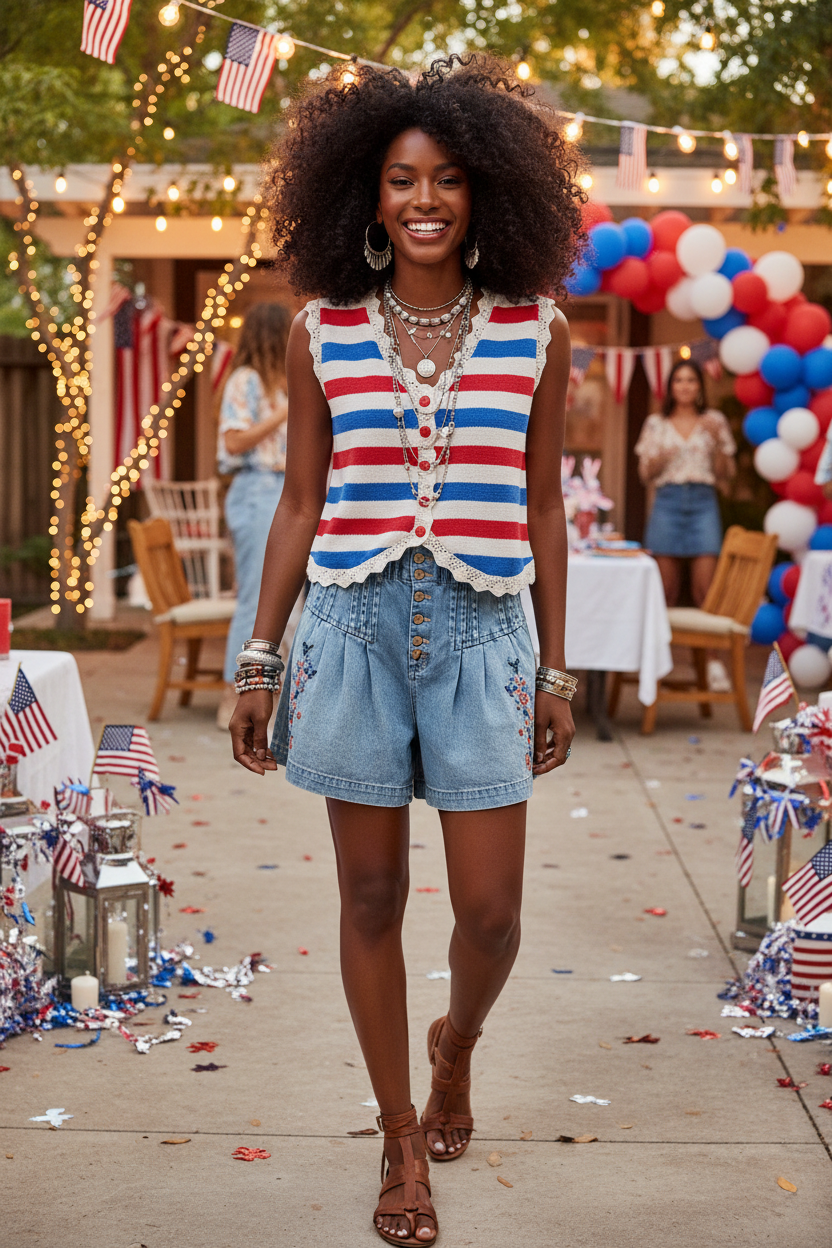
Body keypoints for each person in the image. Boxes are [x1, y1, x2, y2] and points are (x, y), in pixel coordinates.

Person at [229, 55, 581, 1245]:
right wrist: (257, 658)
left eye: (444, 180)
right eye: (398, 180)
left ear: (484, 194)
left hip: (487, 635)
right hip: (352, 630)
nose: (422, 199)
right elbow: (296, 506)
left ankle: (456, 1046)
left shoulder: (538, 330)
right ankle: (395, 1138)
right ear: (366, 199)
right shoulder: (322, 331)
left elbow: (543, 513)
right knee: (370, 894)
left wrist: (555, 667)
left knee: (490, 916)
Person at [635, 358, 736, 689]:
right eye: (679, 380)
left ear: (699, 387)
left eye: (691, 380)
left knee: (705, 587)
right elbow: (644, 475)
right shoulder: (655, 423)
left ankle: (712, 664)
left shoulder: (714, 421)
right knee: (664, 588)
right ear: (670, 387)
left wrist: (719, 442)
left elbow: (726, 475)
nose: (685, 386)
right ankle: (658, 663)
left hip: (704, 501)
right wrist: (661, 458)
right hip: (667, 502)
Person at [217, 303, 290, 726]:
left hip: (286, 490)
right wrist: (283, 413)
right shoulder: (245, 381)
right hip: (256, 488)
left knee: (290, 601)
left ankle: (276, 695)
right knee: (256, 599)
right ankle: (235, 695)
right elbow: (232, 442)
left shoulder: (286, 383)